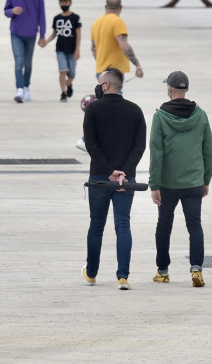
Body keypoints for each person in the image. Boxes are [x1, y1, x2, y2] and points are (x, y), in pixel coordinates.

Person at [82, 67, 146, 290]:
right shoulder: (135, 111)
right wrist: (124, 172)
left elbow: (91, 145)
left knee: (96, 225)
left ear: (106, 85)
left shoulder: (93, 110)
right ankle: (123, 276)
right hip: (126, 179)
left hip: (100, 177)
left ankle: (91, 273)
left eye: (100, 83)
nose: (98, 87)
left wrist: (109, 171)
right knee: (122, 224)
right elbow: (140, 146)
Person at [149, 71, 212, 288]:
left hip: (168, 183)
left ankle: (163, 271)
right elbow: (208, 151)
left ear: (169, 89)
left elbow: (156, 153)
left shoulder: (160, 117)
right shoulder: (201, 115)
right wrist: (206, 180)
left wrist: (154, 184)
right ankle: (196, 269)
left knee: (164, 225)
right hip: (194, 181)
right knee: (194, 225)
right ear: (186, 90)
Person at [4, 0, 46, 103]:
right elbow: (6, 10)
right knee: (18, 61)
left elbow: (42, 15)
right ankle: (19, 89)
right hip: (16, 33)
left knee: (28, 63)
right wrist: (12, 11)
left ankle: (26, 87)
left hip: (31, 34)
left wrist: (43, 35)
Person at [90, 0, 144, 84]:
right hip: (114, 71)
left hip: (101, 70)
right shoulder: (117, 22)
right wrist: (137, 65)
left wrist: (101, 63)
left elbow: (93, 48)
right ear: (121, 7)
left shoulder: (96, 23)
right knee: (114, 97)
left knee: (104, 96)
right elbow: (124, 45)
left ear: (105, 7)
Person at [42, 0, 82, 102]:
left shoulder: (75, 18)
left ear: (70, 3)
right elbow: (55, 32)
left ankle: (69, 84)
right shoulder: (57, 18)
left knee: (72, 73)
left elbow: (78, 34)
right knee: (62, 70)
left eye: (66, 2)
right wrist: (46, 41)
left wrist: (77, 49)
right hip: (60, 48)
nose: (64, 4)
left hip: (72, 48)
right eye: (61, 2)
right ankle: (63, 92)